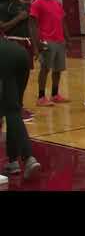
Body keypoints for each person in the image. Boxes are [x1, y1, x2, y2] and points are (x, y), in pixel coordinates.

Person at [0, 37, 41, 180]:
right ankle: (13, 161)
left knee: (10, 110)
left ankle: (28, 158)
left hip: (4, 55)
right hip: (19, 52)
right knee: (13, 111)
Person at [0, 0, 39, 121]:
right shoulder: (4, 7)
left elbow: (30, 27)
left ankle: (19, 105)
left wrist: (35, 47)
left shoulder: (25, 5)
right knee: (12, 79)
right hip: (12, 43)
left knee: (24, 77)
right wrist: (18, 18)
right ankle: (13, 107)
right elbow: (3, 27)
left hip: (25, 43)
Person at [30, 0, 70, 106]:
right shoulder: (37, 4)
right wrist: (36, 46)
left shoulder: (57, 3)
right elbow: (33, 26)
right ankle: (41, 97)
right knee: (45, 69)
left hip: (60, 41)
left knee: (58, 69)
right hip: (47, 41)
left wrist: (67, 39)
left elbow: (62, 21)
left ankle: (54, 94)